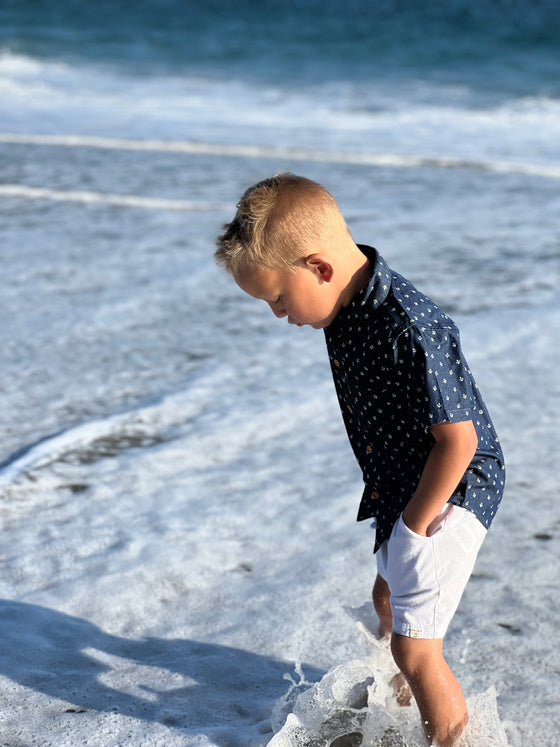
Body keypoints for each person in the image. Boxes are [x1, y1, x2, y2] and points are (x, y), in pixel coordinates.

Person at [214, 173, 505, 746]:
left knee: (416, 648)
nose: (277, 314)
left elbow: (460, 442)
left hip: (450, 487)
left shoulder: (410, 326)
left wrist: (416, 526)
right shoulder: (341, 304)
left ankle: (446, 733)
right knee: (386, 598)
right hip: (402, 481)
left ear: (319, 267)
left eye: (277, 298)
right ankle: (397, 709)